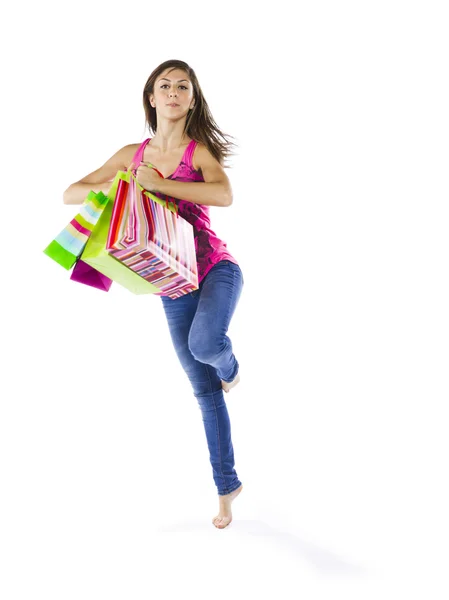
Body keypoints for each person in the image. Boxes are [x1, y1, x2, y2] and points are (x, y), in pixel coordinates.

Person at [63, 59, 244, 529]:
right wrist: (122, 181)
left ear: (192, 98)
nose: (172, 92)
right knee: (203, 393)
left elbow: (224, 195)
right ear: (151, 97)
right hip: (171, 280)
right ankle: (227, 490)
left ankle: (232, 368)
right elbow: (71, 192)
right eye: (164, 85)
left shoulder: (196, 151)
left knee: (207, 347)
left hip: (215, 268)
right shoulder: (132, 153)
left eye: (182, 86)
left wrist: (158, 184)